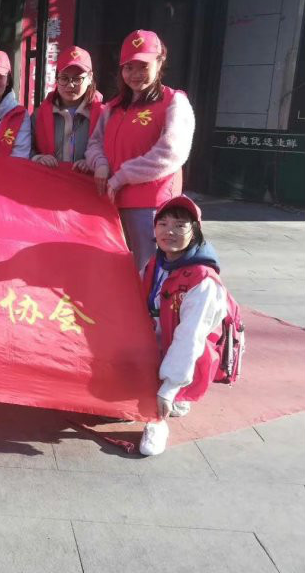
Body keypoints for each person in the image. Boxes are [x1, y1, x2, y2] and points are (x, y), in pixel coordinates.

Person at [84, 30, 195, 271]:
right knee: (114, 271)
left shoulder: (173, 102)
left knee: (147, 270)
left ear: (159, 62)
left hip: (151, 207)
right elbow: (94, 144)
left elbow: (170, 153)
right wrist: (100, 164)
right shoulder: (113, 107)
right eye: (129, 67)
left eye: (143, 66)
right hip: (110, 205)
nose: (135, 74)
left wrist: (122, 176)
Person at [138, 196, 228, 456]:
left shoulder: (203, 281)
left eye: (180, 225)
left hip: (188, 358)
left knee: (163, 401)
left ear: (195, 231)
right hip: (156, 346)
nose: (170, 231)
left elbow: (191, 338)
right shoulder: (156, 263)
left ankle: (164, 411)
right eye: (163, 224)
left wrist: (169, 387)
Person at [30, 45, 103, 169]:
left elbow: (110, 151)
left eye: (77, 79)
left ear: (90, 78)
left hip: (86, 179)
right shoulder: (39, 115)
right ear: (56, 79)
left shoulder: (103, 114)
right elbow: (24, 148)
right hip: (48, 178)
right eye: (64, 78)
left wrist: (93, 162)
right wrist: (38, 158)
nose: (70, 85)